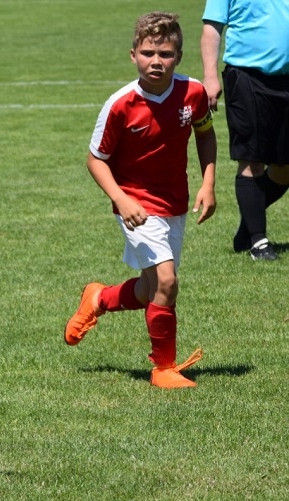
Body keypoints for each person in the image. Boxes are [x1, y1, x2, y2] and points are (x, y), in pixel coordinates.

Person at [65, 12, 216, 390]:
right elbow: (95, 159)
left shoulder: (193, 93)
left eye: (165, 53)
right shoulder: (120, 104)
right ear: (133, 55)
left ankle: (98, 298)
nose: (156, 61)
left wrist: (209, 182)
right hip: (136, 206)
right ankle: (163, 368)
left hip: (175, 204)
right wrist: (121, 198)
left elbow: (205, 134)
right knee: (167, 281)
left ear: (178, 56)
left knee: (151, 290)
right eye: (148, 52)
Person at [201, 0, 289, 261]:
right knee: (251, 159)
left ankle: (249, 227)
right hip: (246, 76)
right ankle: (258, 241)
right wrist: (210, 76)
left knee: (284, 168)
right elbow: (212, 28)